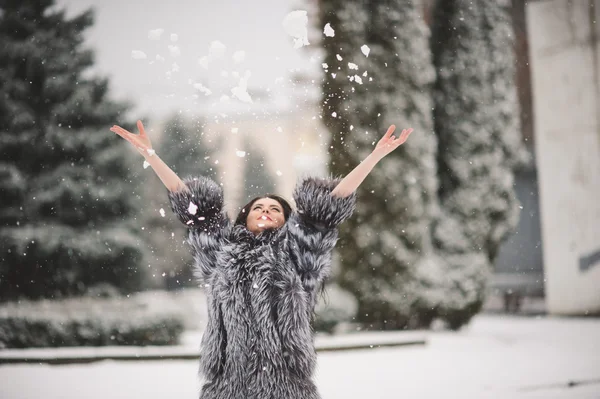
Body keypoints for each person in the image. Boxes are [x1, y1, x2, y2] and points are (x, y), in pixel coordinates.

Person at [110, 120, 413, 399]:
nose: (266, 210)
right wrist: (151, 155)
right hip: (227, 387)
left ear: (285, 221)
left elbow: (330, 205)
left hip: (287, 387)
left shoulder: (298, 254)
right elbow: (192, 207)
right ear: (245, 217)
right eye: (258, 207)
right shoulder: (221, 252)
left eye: (275, 208)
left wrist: (373, 157)